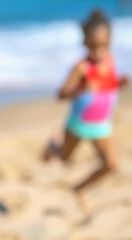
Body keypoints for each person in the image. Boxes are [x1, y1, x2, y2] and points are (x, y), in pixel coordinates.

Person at [42, 9, 129, 212]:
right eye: (93, 47)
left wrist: (120, 83)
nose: (98, 52)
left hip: (101, 126)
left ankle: (79, 187)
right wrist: (80, 89)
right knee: (64, 158)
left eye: (103, 46)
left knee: (110, 164)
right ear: (85, 43)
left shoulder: (110, 61)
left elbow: (109, 85)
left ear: (109, 43)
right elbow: (61, 94)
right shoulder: (81, 67)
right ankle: (54, 145)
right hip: (78, 124)